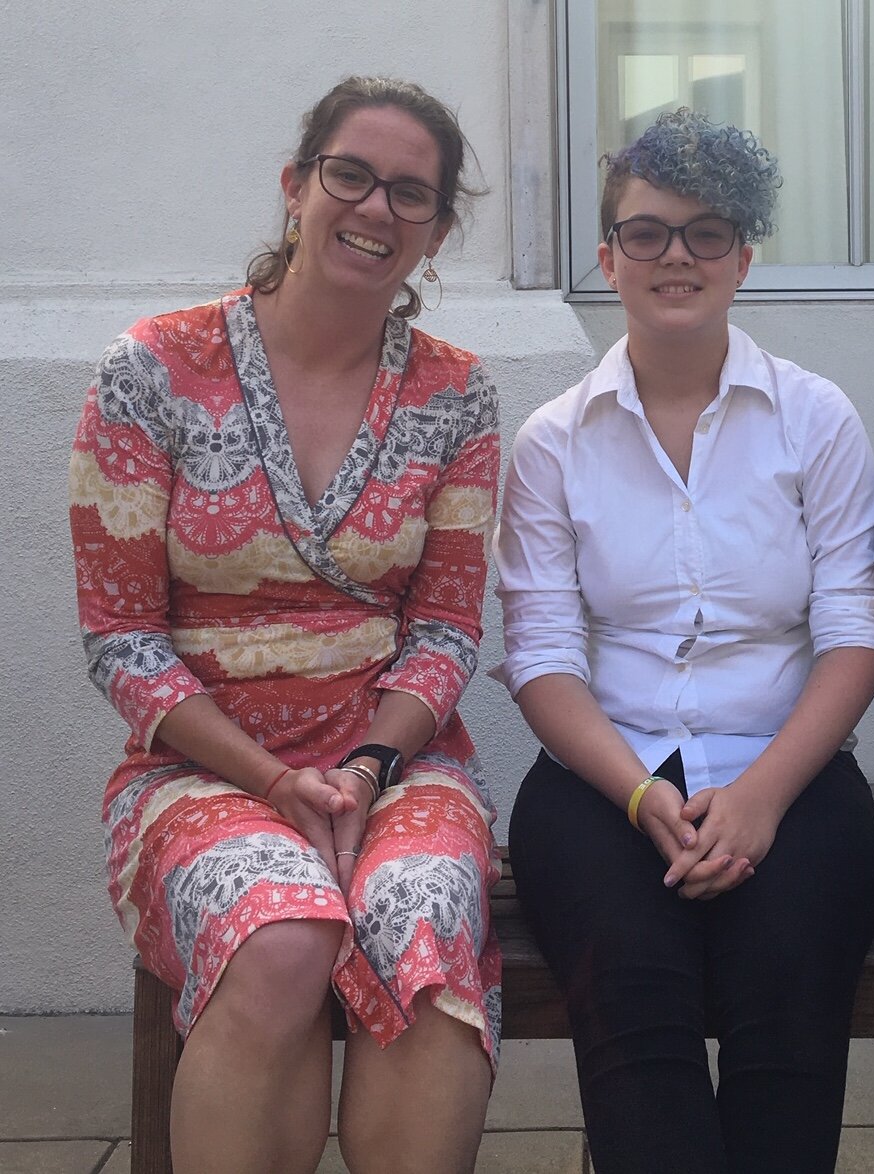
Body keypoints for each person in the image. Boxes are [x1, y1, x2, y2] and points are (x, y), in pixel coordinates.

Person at [70, 77, 502, 1174]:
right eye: (350, 173)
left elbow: (447, 630)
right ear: (297, 184)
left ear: (438, 229)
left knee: (424, 911)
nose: (376, 207)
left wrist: (362, 767)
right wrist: (270, 780)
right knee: (282, 930)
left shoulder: (456, 394)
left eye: (413, 193)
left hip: (392, 762)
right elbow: (120, 637)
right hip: (202, 765)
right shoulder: (152, 369)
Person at [494, 108, 874, 1174]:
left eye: (705, 231)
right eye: (646, 231)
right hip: (601, 781)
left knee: (789, 1010)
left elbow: (854, 631)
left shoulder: (814, 419)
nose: (675, 255)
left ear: (744, 253)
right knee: (634, 1010)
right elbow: (540, 654)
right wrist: (638, 793)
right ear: (606, 256)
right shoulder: (553, 442)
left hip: (792, 769)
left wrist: (764, 796)